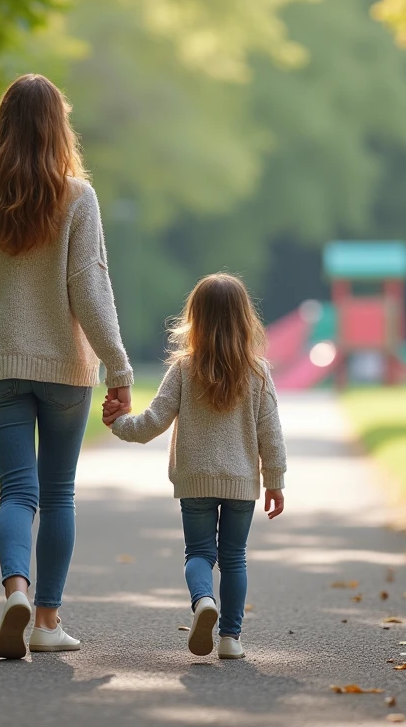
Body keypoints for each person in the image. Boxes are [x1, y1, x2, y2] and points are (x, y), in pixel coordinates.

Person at [0, 74, 134, 660]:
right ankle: (46, 622)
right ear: (59, 126)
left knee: (16, 492)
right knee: (59, 493)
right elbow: (89, 288)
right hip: (65, 369)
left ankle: (15, 591)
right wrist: (119, 368)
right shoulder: (77, 196)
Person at [102, 273, 286, 660]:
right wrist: (275, 481)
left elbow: (152, 421)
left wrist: (118, 423)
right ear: (244, 319)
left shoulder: (184, 369)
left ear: (195, 319)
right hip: (241, 482)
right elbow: (271, 433)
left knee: (199, 553)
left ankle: (204, 601)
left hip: (195, 480)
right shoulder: (257, 372)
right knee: (234, 557)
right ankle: (231, 638)